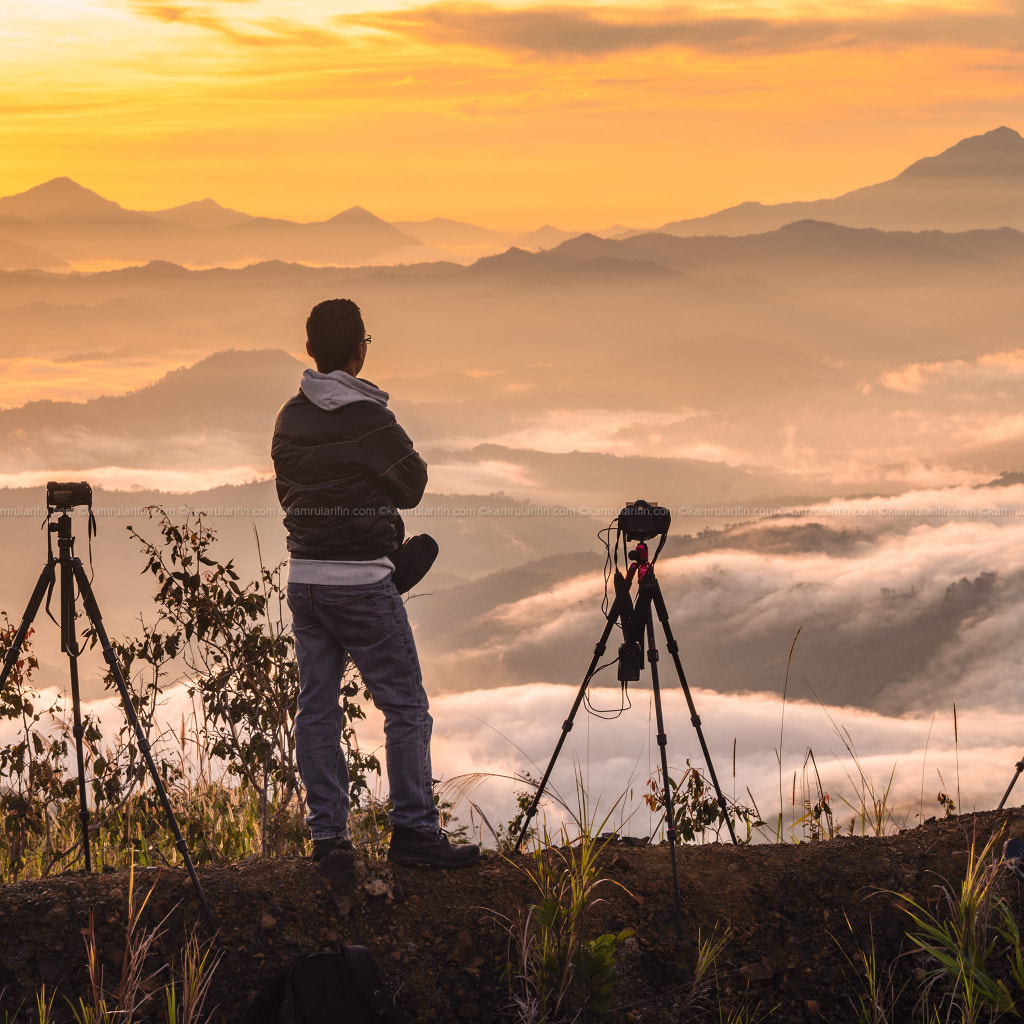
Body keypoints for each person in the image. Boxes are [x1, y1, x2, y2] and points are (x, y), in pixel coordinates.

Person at [272, 298, 479, 868]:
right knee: (405, 705)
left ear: (313, 350)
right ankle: (414, 832)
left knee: (317, 709)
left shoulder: (289, 417)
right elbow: (411, 484)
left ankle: (329, 839)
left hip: (307, 580)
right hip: (361, 582)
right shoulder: (370, 419)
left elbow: (293, 493)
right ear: (358, 348)